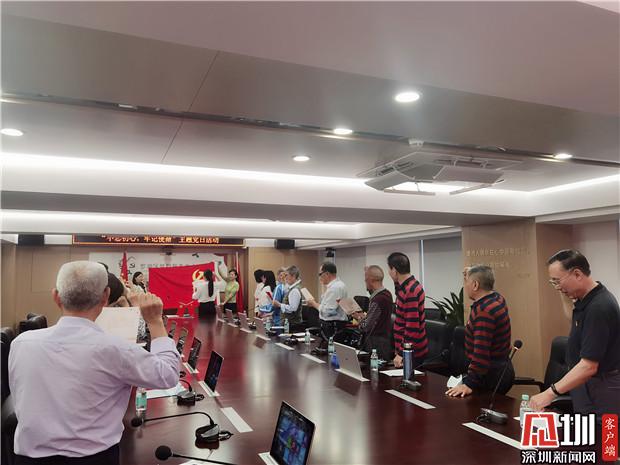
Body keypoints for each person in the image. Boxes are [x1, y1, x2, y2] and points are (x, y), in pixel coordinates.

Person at [8, 261, 179, 464]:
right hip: (94, 459)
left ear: (56, 296)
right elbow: (168, 375)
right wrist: (155, 321)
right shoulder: (115, 349)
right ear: (106, 296)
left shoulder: (21, 343)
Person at [529, 250, 620, 421]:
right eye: (553, 282)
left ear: (577, 274)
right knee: (586, 434)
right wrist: (564, 290)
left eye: (557, 281)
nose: (557, 287)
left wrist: (550, 393)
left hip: (602, 387)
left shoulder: (599, 307)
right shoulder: (585, 299)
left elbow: (589, 366)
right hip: (585, 385)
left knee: (607, 436)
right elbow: (573, 318)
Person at [446, 265, 513, 398]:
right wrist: (472, 274)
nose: (465, 285)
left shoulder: (484, 311)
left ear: (475, 285)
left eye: (466, 281)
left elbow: (481, 353)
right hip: (501, 369)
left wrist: (469, 384)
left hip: (490, 376)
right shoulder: (496, 298)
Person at [387, 252, 428, 369]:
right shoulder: (405, 287)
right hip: (405, 348)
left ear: (394, 270)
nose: (389, 273)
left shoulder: (410, 290)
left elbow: (412, 326)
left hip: (411, 352)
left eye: (389, 269)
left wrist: (402, 353)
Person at [352, 265, 393, 361]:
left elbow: (366, 327)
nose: (365, 282)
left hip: (376, 345)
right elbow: (378, 318)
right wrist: (365, 317)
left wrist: (358, 317)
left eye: (366, 280)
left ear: (371, 280)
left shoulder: (378, 299)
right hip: (385, 341)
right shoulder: (388, 294)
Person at [307, 262, 348, 341]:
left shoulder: (335, 288)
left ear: (327, 274)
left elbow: (328, 311)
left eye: (320, 274)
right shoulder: (338, 285)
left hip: (332, 327)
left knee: (330, 348)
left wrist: (313, 304)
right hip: (334, 326)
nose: (319, 277)